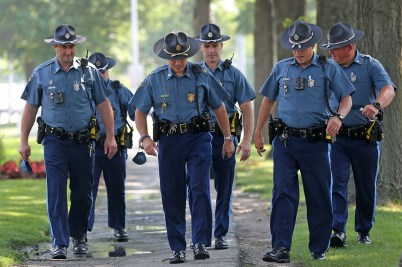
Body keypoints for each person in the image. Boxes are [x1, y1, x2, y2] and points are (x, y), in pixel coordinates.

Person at [254, 20, 355, 262]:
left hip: (316, 144)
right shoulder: (281, 68)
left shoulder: (328, 68)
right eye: (294, 47)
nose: (298, 52)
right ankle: (280, 248)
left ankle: (318, 249)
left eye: (303, 47)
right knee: (283, 194)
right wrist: (257, 133)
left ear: (313, 45)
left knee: (318, 194)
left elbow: (347, 98)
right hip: (286, 142)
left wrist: (339, 118)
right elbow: (268, 100)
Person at [129, 31, 235, 264]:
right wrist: (145, 137)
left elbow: (219, 107)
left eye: (182, 58)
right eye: (173, 58)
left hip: (198, 139)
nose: (178, 63)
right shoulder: (155, 78)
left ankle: (199, 242)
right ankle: (177, 247)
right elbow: (139, 110)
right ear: (166, 57)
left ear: (188, 55)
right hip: (169, 142)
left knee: (199, 188)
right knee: (172, 193)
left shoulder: (201, 74)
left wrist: (227, 137)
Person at [18, 24, 117, 259]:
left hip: (83, 142)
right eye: (63, 46)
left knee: (83, 193)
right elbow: (30, 108)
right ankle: (59, 242)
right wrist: (23, 141)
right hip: (54, 142)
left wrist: (111, 136)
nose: (68, 51)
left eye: (71, 46)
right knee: (56, 193)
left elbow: (104, 104)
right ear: (54, 46)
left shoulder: (89, 71)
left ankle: (79, 236)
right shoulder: (42, 73)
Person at [321, 22, 396, 247]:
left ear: (351, 47)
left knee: (365, 186)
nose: (331, 52)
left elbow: (388, 89)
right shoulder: (327, 67)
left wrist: (376, 105)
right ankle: (338, 230)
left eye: (336, 48)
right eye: (330, 48)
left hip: (366, 138)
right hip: (339, 139)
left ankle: (364, 231)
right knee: (338, 183)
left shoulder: (370, 65)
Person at [190, 23, 255, 250]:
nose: (211, 50)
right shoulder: (191, 73)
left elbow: (247, 107)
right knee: (197, 187)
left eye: (215, 45)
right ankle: (200, 235)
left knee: (224, 189)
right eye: (207, 45)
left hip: (224, 139)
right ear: (200, 46)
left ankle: (221, 234)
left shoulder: (233, 74)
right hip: (197, 138)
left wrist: (246, 140)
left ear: (221, 46)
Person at [87, 52, 135, 242]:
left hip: (115, 146)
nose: (101, 76)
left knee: (116, 188)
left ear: (108, 71)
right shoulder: (83, 89)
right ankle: (82, 230)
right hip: (90, 146)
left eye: (103, 72)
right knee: (86, 189)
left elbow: (136, 110)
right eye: (96, 73)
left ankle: (119, 227)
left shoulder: (118, 90)